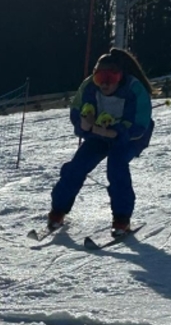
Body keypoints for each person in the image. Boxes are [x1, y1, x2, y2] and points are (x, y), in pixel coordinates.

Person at [47, 47, 155, 234]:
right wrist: (83, 124)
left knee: (117, 166)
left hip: (130, 139)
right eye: (99, 78)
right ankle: (58, 210)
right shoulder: (89, 87)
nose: (104, 84)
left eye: (110, 78)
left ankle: (121, 218)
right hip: (98, 136)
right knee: (77, 167)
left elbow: (139, 125)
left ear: (120, 76)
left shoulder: (134, 90)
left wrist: (112, 132)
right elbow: (77, 110)